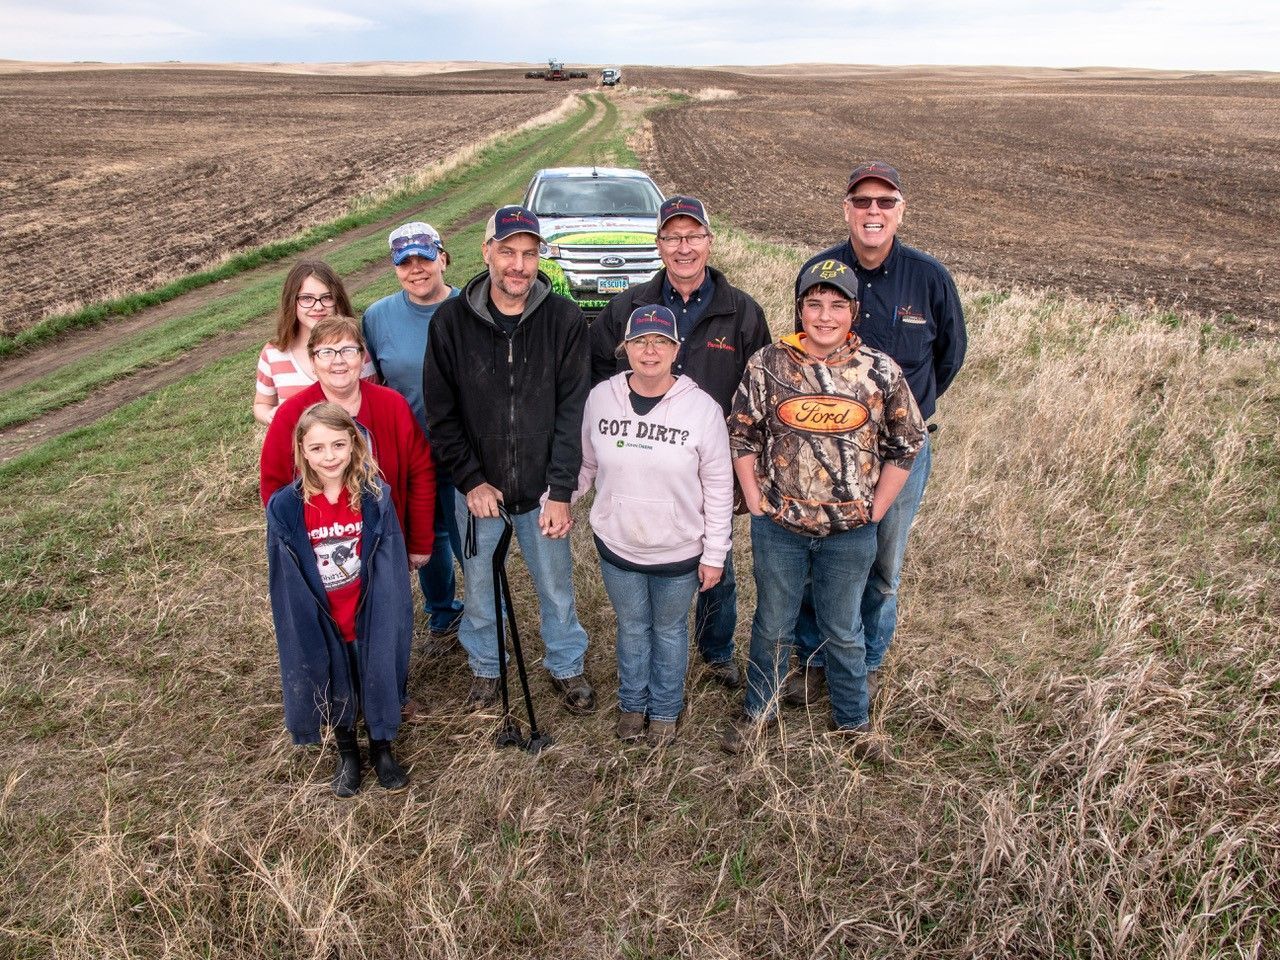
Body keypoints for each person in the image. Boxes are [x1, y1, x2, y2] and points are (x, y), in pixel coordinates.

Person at [721, 261, 926, 758]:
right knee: (773, 621)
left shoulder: (879, 370)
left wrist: (876, 510)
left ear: (854, 312)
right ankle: (758, 713)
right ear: (799, 309)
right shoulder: (769, 363)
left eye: (837, 305)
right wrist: (753, 496)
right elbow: (741, 433)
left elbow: (907, 442)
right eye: (814, 304)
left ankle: (854, 722)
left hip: (849, 533)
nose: (825, 315)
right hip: (781, 528)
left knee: (843, 627)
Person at [785, 161, 967, 709]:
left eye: (884, 202)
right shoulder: (819, 270)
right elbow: (801, 351)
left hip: (897, 453)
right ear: (846, 209)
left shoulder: (928, 278)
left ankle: (863, 663)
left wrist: (906, 414)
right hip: (825, 447)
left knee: (883, 563)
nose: (873, 211)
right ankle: (814, 661)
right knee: (821, 556)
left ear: (900, 210)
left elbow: (949, 355)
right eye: (862, 201)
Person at [590, 195, 770, 690]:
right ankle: (656, 651)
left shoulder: (742, 313)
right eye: (672, 237)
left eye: (692, 236)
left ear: (709, 242)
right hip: (647, 456)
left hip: (716, 461)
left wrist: (745, 466)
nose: (683, 247)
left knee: (719, 562)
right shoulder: (630, 307)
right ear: (659, 244)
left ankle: (714, 652)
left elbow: (760, 389)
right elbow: (601, 375)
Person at [424, 205, 594, 715]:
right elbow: (441, 413)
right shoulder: (451, 323)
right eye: (508, 252)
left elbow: (573, 411)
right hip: (480, 495)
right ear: (487, 253)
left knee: (556, 588)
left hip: (542, 491)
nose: (519, 265)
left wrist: (561, 490)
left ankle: (565, 665)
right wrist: (471, 480)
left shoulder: (563, 320)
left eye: (529, 253)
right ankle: (486, 667)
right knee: (478, 588)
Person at [259, 315, 436, 721]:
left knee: (388, 620)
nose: (338, 361)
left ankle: (390, 695)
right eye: (326, 352)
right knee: (333, 625)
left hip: (382, 546)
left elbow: (421, 470)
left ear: (363, 357)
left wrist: (420, 542)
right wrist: (294, 552)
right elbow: (273, 487)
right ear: (313, 358)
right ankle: (340, 702)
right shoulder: (292, 417)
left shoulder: (389, 405)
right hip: (324, 548)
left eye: (348, 350)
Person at [577, 305, 733, 746]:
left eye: (661, 341)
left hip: (678, 550)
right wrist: (557, 499)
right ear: (624, 347)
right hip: (618, 544)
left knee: (668, 630)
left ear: (675, 349)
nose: (650, 351)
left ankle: (664, 709)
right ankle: (632, 704)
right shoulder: (601, 397)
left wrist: (715, 553)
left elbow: (719, 486)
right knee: (631, 627)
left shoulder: (702, 409)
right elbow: (586, 465)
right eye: (640, 341)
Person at [265, 402, 413, 797]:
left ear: (354, 445)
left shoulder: (375, 497)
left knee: (376, 675)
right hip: (324, 615)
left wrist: (389, 614)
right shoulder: (285, 508)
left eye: (338, 445)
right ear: (301, 450)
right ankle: (347, 750)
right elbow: (283, 577)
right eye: (316, 448)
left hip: (366, 612)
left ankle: (381, 746)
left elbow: (392, 565)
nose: (328, 457)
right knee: (334, 680)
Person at [363, 222, 465, 649]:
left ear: (443, 257)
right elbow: (369, 386)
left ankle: (489, 618)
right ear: (395, 269)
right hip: (410, 456)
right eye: (405, 262)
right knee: (428, 539)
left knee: (472, 542)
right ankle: (442, 615)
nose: (416, 269)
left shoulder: (471, 308)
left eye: (424, 257)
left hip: (467, 454)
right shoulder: (377, 317)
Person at [253, 261, 373, 426]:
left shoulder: (354, 351)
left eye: (327, 297)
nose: (318, 307)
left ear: (338, 300)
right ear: (292, 301)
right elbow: (262, 404)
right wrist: (269, 415)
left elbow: (374, 399)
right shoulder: (273, 353)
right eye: (307, 298)